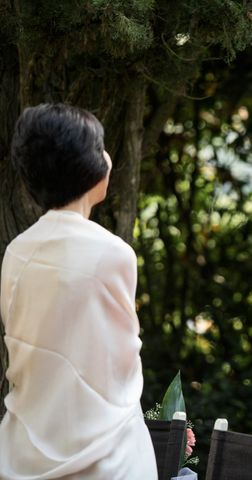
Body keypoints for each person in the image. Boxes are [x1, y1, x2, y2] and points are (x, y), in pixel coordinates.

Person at [0, 104, 157, 479]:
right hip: (106, 455)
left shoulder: (17, 250)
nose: (107, 155)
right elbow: (119, 360)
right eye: (100, 146)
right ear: (87, 165)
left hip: (23, 448)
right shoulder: (113, 253)